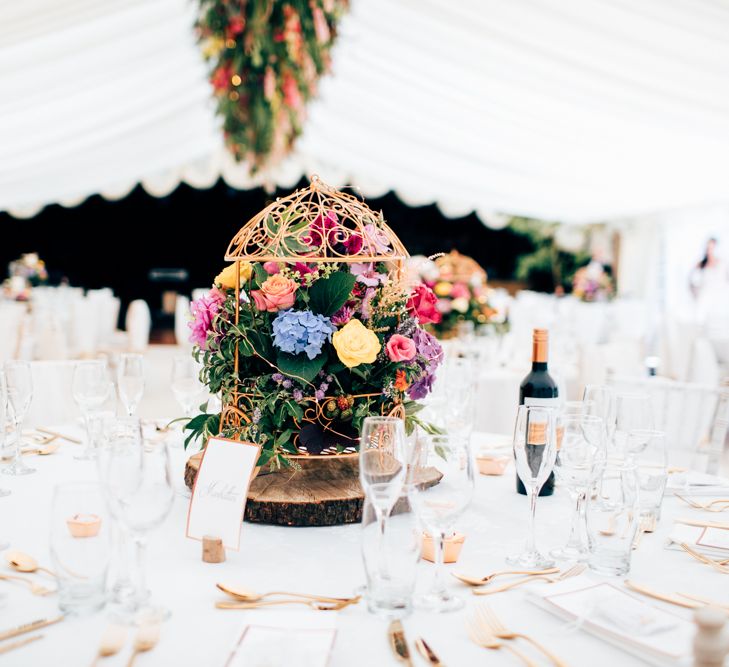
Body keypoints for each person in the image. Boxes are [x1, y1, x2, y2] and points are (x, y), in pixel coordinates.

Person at [690, 237, 729, 326]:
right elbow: (692, 281)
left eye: (712, 248)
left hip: (721, 299)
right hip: (705, 298)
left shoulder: (723, 263)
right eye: (708, 248)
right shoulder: (700, 264)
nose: (710, 251)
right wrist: (696, 294)